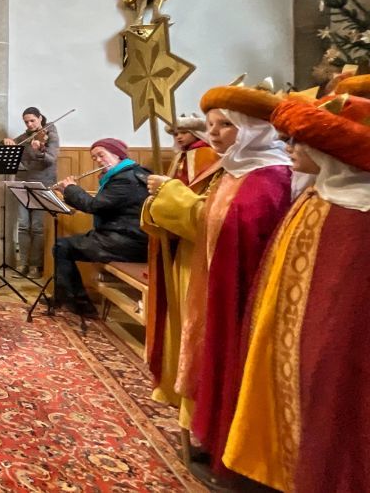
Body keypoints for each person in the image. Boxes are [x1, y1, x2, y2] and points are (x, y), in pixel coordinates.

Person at [142, 84, 291, 485]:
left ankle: (228, 446)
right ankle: (207, 434)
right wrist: (166, 199)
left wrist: (171, 196)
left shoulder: (270, 176)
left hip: (232, 288)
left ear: (255, 128)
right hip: (204, 274)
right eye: (210, 125)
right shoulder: (231, 168)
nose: (214, 133)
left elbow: (222, 226)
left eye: (226, 124)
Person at [223, 93, 370, 492]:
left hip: (325, 344)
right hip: (288, 331)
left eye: (299, 141)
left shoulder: (356, 213)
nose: (289, 147)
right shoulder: (316, 196)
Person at [141, 112, 223, 429]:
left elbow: (205, 210)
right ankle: (174, 382)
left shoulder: (208, 156)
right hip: (180, 246)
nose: (177, 137)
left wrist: (168, 195)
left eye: (183, 131)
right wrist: (157, 202)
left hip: (198, 253)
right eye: (174, 132)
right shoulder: (182, 157)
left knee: (192, 322)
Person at [51, 138, 150, 316]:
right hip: (121, 236)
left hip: (129, 243)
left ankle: (80, 304)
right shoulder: (127, 174)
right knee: (64, 245)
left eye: (101, 155)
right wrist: (68, 191)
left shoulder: (126, 180)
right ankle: (64, 297)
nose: (98, 160)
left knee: (62, 246)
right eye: (94, 157)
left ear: (117, 155)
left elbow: (94, 206)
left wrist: (71, 188)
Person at [4, 107, 61, 274]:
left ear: (40, 118)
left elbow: (51, 160)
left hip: (43, 184)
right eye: (26, 122)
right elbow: (11, 145)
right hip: (23, 183)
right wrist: (6, 141)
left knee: (37, 227)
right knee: (23, 225)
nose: (29, 124)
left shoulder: (51, 134)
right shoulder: (25, 137)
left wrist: (40, 150)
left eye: (32, 121)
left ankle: (36, 265)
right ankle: (23, 263)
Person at [164, 113, 219, 187]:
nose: (179, 137)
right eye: (175, 134)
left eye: (184, 132)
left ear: (195, 133)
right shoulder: (180, 155)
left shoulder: (206, 152)